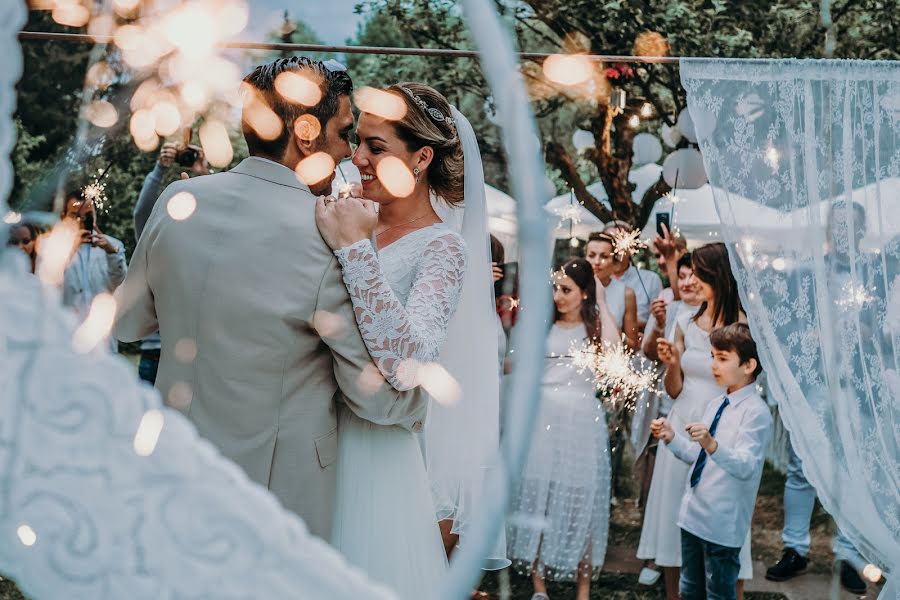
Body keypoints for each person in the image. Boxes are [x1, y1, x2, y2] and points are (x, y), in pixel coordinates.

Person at [114, 57, 428, 551]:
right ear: (306, 132)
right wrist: (420, 402)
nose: (350, 153)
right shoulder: (327, 236)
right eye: (345, 133)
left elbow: (129, 324)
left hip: (175, 471)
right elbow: (374, 396)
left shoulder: (177, 203)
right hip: (276, 494)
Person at [316, 81, 500, 594]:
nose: (358, 158)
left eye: (377, 148)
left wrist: (355, 252)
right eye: (358, 143)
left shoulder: (443, 247)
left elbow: (410, 360)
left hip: (375, 447)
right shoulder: (345, 214)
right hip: (312, 432)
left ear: (421, 159)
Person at [637, 242, 753, 600]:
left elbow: (743, 384)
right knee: (674, 519)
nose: (691, 281)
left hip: (723, 427)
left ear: (718, 276)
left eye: (700, 273)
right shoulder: (684, 320)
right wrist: (672, 361)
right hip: (682, 418)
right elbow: (674, 390)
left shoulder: (742, 325)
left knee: (724, 519)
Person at [506, 257, 619, 600]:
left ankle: (582, 590)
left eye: (566, 289)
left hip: (582, 422)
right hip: (543, 420)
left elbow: (615, 356)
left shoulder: (595, 328)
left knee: (580, 498)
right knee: (540, 495)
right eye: (555, 288)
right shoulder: (542, 325)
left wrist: (601, 301)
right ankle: (539, 587)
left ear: (584, 293)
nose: (558, 295)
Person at [651, 323, 772, 600]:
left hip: (722, 524)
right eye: (712, 357)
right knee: (689, 590)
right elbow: (698, 457)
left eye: (722, 358)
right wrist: (671, 438)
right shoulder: (716, 403)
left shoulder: (756, 413)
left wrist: (712, 444)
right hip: (692, 516)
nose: (713, 365)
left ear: (749, 365)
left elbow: (747, 466)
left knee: (719, 594)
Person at [634, 252, 701, 575]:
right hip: (666, 402)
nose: (686, 281)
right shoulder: (671, 309)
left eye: (693, 275)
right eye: (683, 274)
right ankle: (656, 556)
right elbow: (649, 352)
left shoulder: (716, 315)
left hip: (699, 410)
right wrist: (660, 324)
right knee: (657, 483)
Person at [132, 141, 210, 385]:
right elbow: (141, 213)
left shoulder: (207, 246)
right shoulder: (156, 244)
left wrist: (204, 172)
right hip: (155, 352)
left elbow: (225, 212)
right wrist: (160, 168)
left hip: (196, 353)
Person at [61, 192, 127, 351]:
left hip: (102, 340)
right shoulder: (55, 249)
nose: (83, 221)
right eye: (76, 215)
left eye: (88, 215)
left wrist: (112, 253)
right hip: (64, 338)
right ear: (64, 216)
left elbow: (121, 286)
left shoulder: (113, 245)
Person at [603, 223, 664, 329]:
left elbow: (659, 321)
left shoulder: (650, 280)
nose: (614, 246)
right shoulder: (592, 280)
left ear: (631, 246)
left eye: (619, 241)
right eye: (609, 241)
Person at [584, 231, 637, 348]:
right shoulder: (573, 289)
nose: (597, 262)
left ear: (615, 264)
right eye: (592, 255)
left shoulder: (626, 294)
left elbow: (633, 346)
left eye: (604, 256)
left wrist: (613, 331)